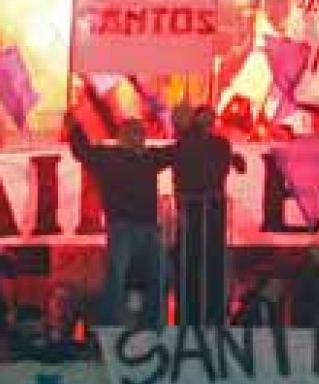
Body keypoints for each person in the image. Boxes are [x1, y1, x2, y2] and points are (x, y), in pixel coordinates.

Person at [66, 116, 174, 327]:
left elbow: (177, 153)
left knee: (161, 274)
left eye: (142, 133)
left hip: (148, 226)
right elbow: (83, 152)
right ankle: (112, 324)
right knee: (117, 276)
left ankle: (152, 322)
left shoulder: (150, 158)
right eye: (135, 132)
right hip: (122, 225)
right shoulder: (109, 156)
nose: (140, 137)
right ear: (122, 136)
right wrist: (75, 129)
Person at [173, 106, 245, 325]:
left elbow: (222, 168)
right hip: (194, 205)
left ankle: (212, 311)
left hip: (212, 206)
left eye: (211, 118)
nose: (208, 122)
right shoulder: (187, 143)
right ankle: (190, 312)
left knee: (212, 259)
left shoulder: (219, 144)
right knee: (191, 259)